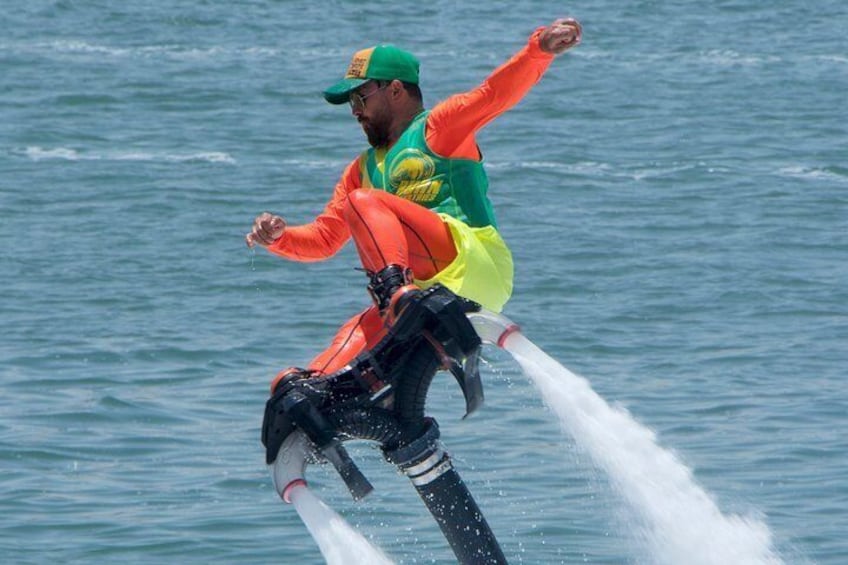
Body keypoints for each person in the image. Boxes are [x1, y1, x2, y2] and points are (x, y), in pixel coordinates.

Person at [247, 18, 582, 389]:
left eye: (360, 98)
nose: (355, 111)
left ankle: (400, 302)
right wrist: (278, 238)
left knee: (364, 204)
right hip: (418, 290)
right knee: (319, 371)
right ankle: (331, 410)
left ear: (394, 90)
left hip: (472, 263)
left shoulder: (438, 128)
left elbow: (493, 95)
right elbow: (326, 238)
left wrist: (538, 51)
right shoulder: (361, 170)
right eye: (350, 104)